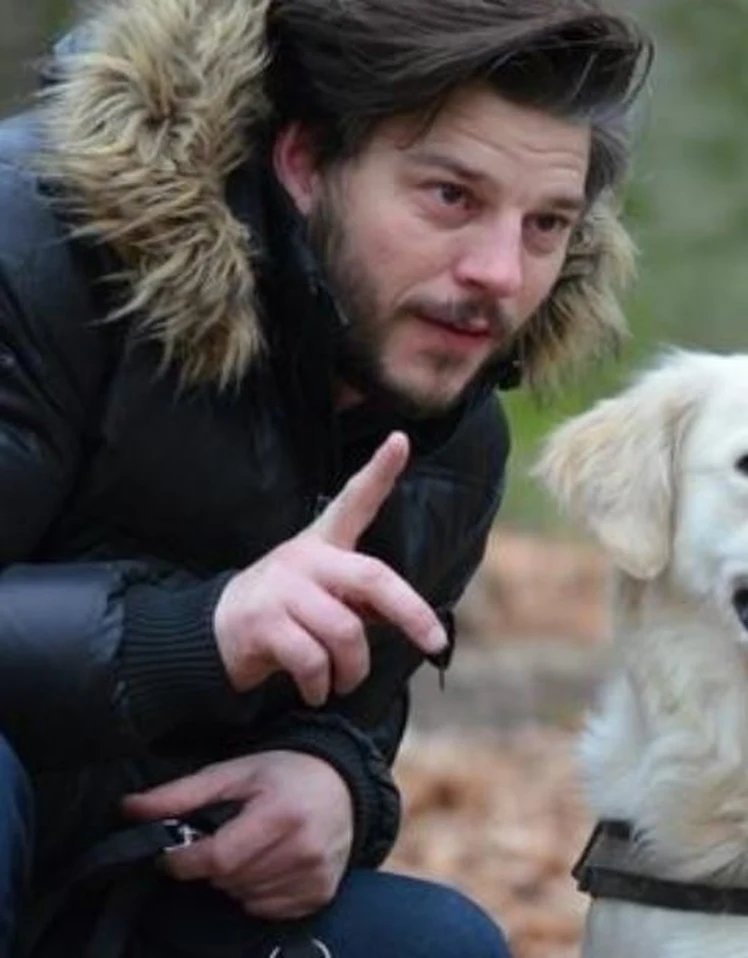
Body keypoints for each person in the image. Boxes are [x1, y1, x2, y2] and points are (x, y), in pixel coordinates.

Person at [0, 0, 652, 955]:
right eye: (450, 198)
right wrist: (196, 632)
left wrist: (335, 780)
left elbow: (352, 713)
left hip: (113, 882)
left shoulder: (450, 430)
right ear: (304, 162)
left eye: (547, 225)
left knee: (436, 946)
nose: (500, 275)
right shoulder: (32, 247)